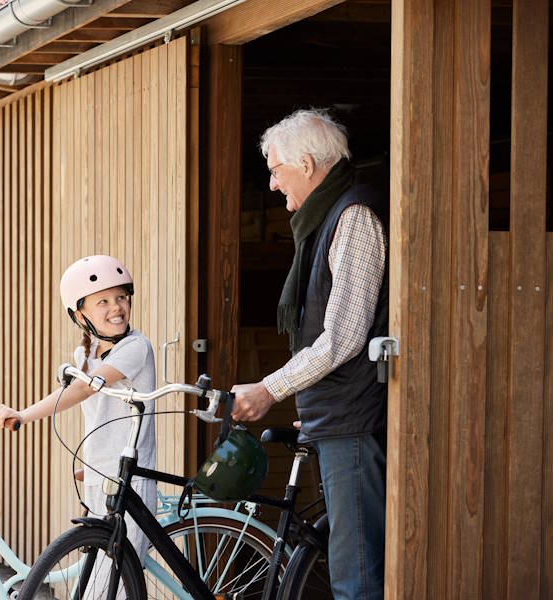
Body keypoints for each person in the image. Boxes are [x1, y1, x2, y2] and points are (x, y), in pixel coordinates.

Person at [230, 109, 389, 600]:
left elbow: (342, 338)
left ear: (305, 162)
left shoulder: (354, 216)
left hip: (356, 421)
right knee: (349, 560)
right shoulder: (325, 220)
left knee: (356, 576)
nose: (273, 185)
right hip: (340, 417)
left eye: (275, 170)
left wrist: (268, 390)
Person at [0, 254, 157, 593]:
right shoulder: (86, 354)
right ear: (80, 315)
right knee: (93, 583)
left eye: (121, 297)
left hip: (128, 483)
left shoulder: (136, 348)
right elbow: (95, 411)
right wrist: (91, 461)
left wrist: (22, 415)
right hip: (101, 478)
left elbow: (81, 390)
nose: (116, 307)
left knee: (114, 587)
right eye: (103, 301)